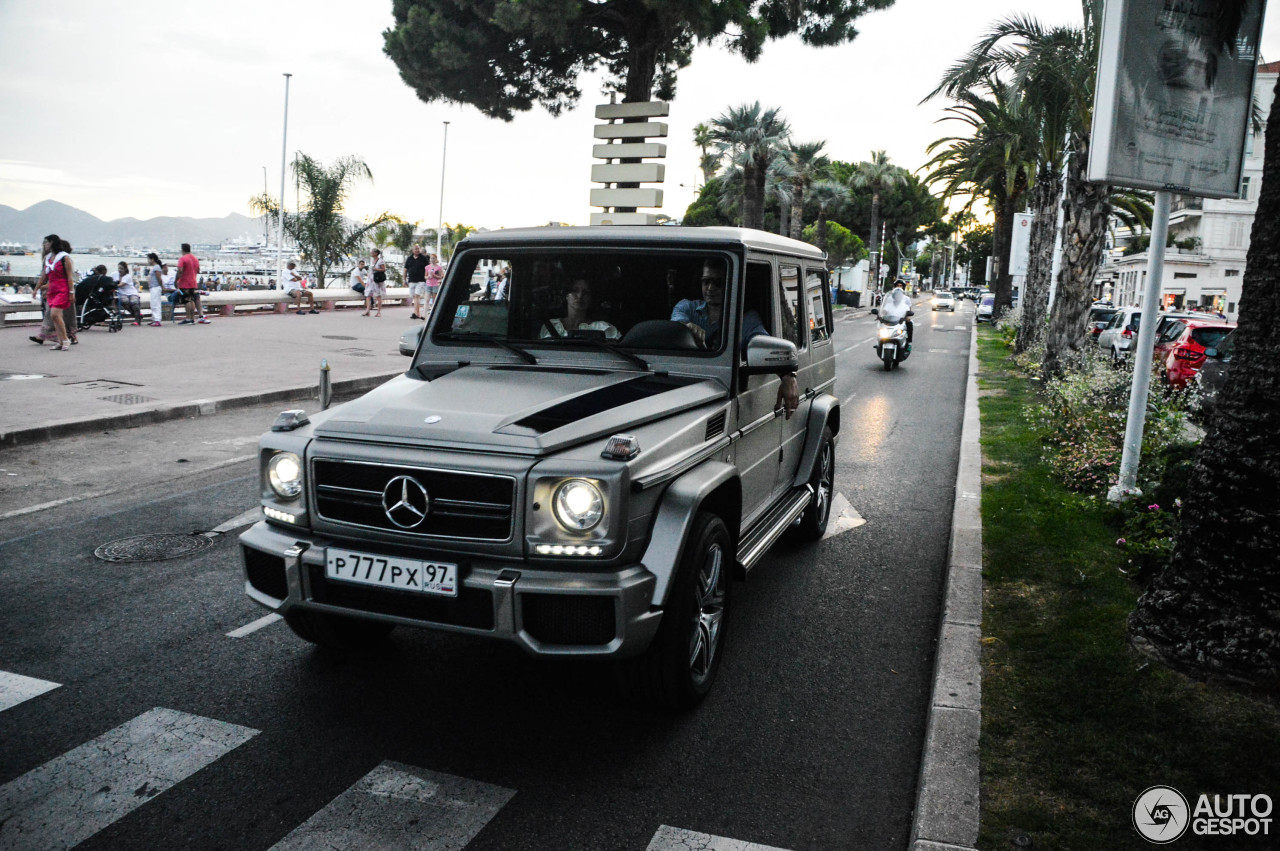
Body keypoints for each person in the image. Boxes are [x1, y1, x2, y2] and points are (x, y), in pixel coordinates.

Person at [671, 258, 799, 417]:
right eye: (706, 281)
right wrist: (687, 329)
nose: (710, 288)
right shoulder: (686, 308)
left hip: (725, 389)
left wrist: (788, 375)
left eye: (719, 283)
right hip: (682, 380)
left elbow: (767, 349)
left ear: (732, 284)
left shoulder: (747, 319)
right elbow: (675, 327)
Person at [539, 278, 619, 339]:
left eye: (586, 292)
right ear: (567, 295)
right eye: (575, 291)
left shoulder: (604, 328)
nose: (580, 296)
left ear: (591, 299)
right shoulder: (550, 326)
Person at [34, 235, 74, 350]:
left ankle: (65, 339)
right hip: (52, 290)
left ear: (52, 243)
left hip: (63, 289)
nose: (44, 245)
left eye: (46, 242)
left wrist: (71, 292)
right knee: (56, 317)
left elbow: (70, 277)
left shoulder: (64, 258)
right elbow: (43, 275)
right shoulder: (47, 258)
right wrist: (36, 288)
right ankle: (61, 341)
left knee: (54, 314)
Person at [176, 243, 207, 324]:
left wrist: (176, 280)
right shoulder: (195, 259)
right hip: (193, 282)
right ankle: (192, 318)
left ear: (182, 250)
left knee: (187, 301)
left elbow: (180, 270)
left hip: (184, 283)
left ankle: (188, 318)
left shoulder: (182, 259)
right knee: (192, 300)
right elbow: (198, 270)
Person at [879, 281, 914, 350]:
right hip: (890, 320)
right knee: (881, 328)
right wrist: (880, 315)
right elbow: (884, 309)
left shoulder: (906, 299)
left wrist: (907, 317)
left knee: (909, 324)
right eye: (897, 285)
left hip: (901, 320)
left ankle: (908, 342)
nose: (899, 287)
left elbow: (909, 310)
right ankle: (879, 343)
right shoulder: (889, 299)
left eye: (900, 286)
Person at [113, 261, 142, 326]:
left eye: (122, 269)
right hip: (122, 293)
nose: (120, 270)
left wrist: (114, 285)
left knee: (134, 302)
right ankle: (137, 316)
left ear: (125, 269)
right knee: (125, 301)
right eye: (119, 268)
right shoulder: (114, 274)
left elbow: (121, 285)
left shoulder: (128, 276)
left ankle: (137, 319)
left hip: (131, 292)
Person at [405, 244, 429, 319]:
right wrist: (404, 279)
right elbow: (405, 269)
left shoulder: (423, 258)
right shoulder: (409, 258)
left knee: (417, 295)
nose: (417, 250)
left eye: (418, 249)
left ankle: (416, 313)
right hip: (411, 280)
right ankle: (416, 312)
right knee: (413, 296)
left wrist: (426, 277)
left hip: (421, 280)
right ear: (413, 250)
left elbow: (427, 268)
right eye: (415, 249)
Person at [365, 249, 386, 316]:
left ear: (376, 253)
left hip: (376, 280)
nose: (371, 253)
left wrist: (376, 269)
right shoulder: (372, 261)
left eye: (372, 252)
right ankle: (367, 310)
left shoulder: (380, 261)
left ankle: (379, 312)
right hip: (370, 280)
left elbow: (383, 269)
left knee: (378, 296)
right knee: (368, 294)